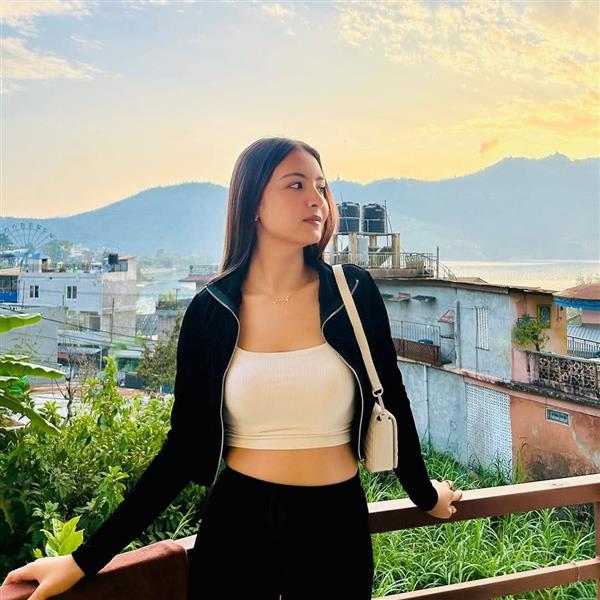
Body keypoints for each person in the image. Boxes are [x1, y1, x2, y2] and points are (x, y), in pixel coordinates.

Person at [2, 137, 462, 600]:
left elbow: (393, 400)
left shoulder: (353, 292)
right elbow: (181, 450)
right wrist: (83, 560)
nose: (316, 200)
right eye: (296, 184)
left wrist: (426, 496)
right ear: (253, 203)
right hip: (239, 528)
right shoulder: (211, 311)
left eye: (321, 187)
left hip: (336, 528)